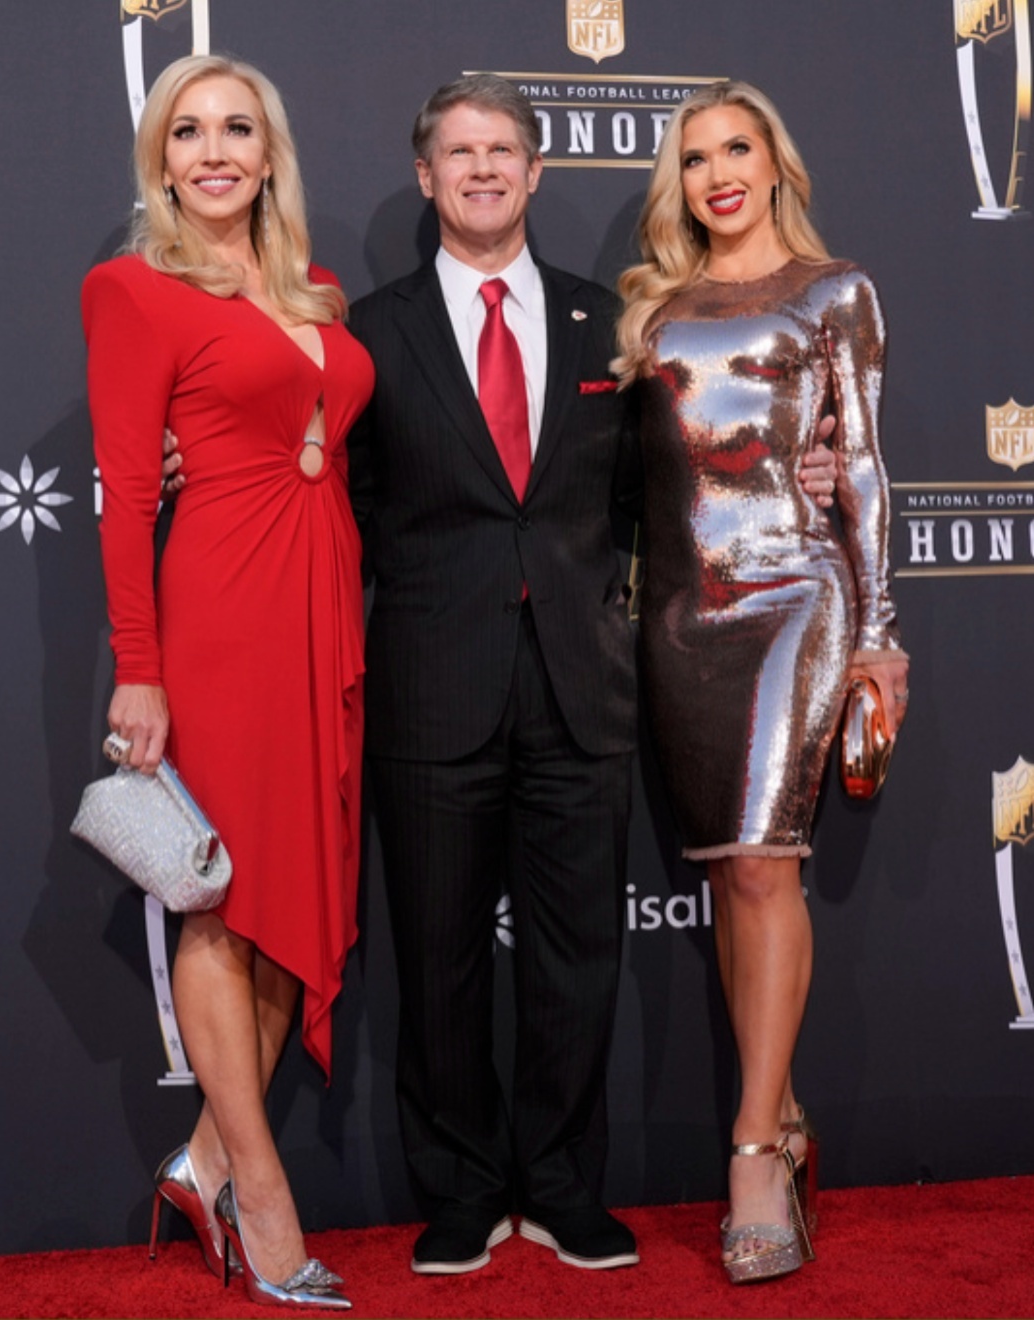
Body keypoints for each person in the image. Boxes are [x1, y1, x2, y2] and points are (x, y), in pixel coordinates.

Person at [340, 73, 644, 1276]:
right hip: (431, 683)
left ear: (535, 171)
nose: (481, 170)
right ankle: (462, 1190)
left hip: (582, 683)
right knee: (440, 953)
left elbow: (649, 497)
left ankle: (565, 1188)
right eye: (457, 153)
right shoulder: (370, 331)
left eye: (502, 150)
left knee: (581, 956)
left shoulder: (606, 322)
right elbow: (332, 499)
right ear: (425, 178)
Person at [83, 53, 369, 1310]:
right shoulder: (132, 291)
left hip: (321, 609)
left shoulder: (319, 292)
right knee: (225, 904)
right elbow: (127, 498)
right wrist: (138, 673)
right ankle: (261, 1194)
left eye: (236, 129)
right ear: (160, 160)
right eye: (185, 131)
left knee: (285, 917)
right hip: (218, 616)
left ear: (269, 153)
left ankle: (200, 1164)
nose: (212, 151)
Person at [612, 79, 910, 1285]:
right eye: (693, 159)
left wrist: (882, 635)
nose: (716, 175)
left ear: (776, 161)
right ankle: (783, 1118)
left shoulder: (835, 291)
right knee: (731, 878)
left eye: (736, 149)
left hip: (798, 597)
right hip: (684, 619)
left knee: (759, 863)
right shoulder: (656, 310)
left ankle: (751, 1153)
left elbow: (869, 471)